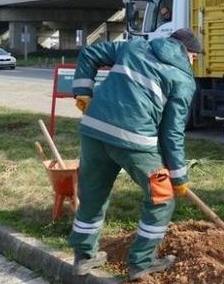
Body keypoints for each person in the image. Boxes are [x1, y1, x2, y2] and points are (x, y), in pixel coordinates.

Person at [68, 28, 201, 281]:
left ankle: (83, 257)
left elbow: (89, 52)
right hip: (135, 142)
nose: (193, 63)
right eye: (194, 58)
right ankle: (141, 262)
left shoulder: (133, 47)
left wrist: (82, 90)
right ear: (189, 54)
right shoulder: (183, 79)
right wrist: (179, 177)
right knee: (162, 198)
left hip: (94, 132)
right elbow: (172, 133)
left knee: (93, 195)